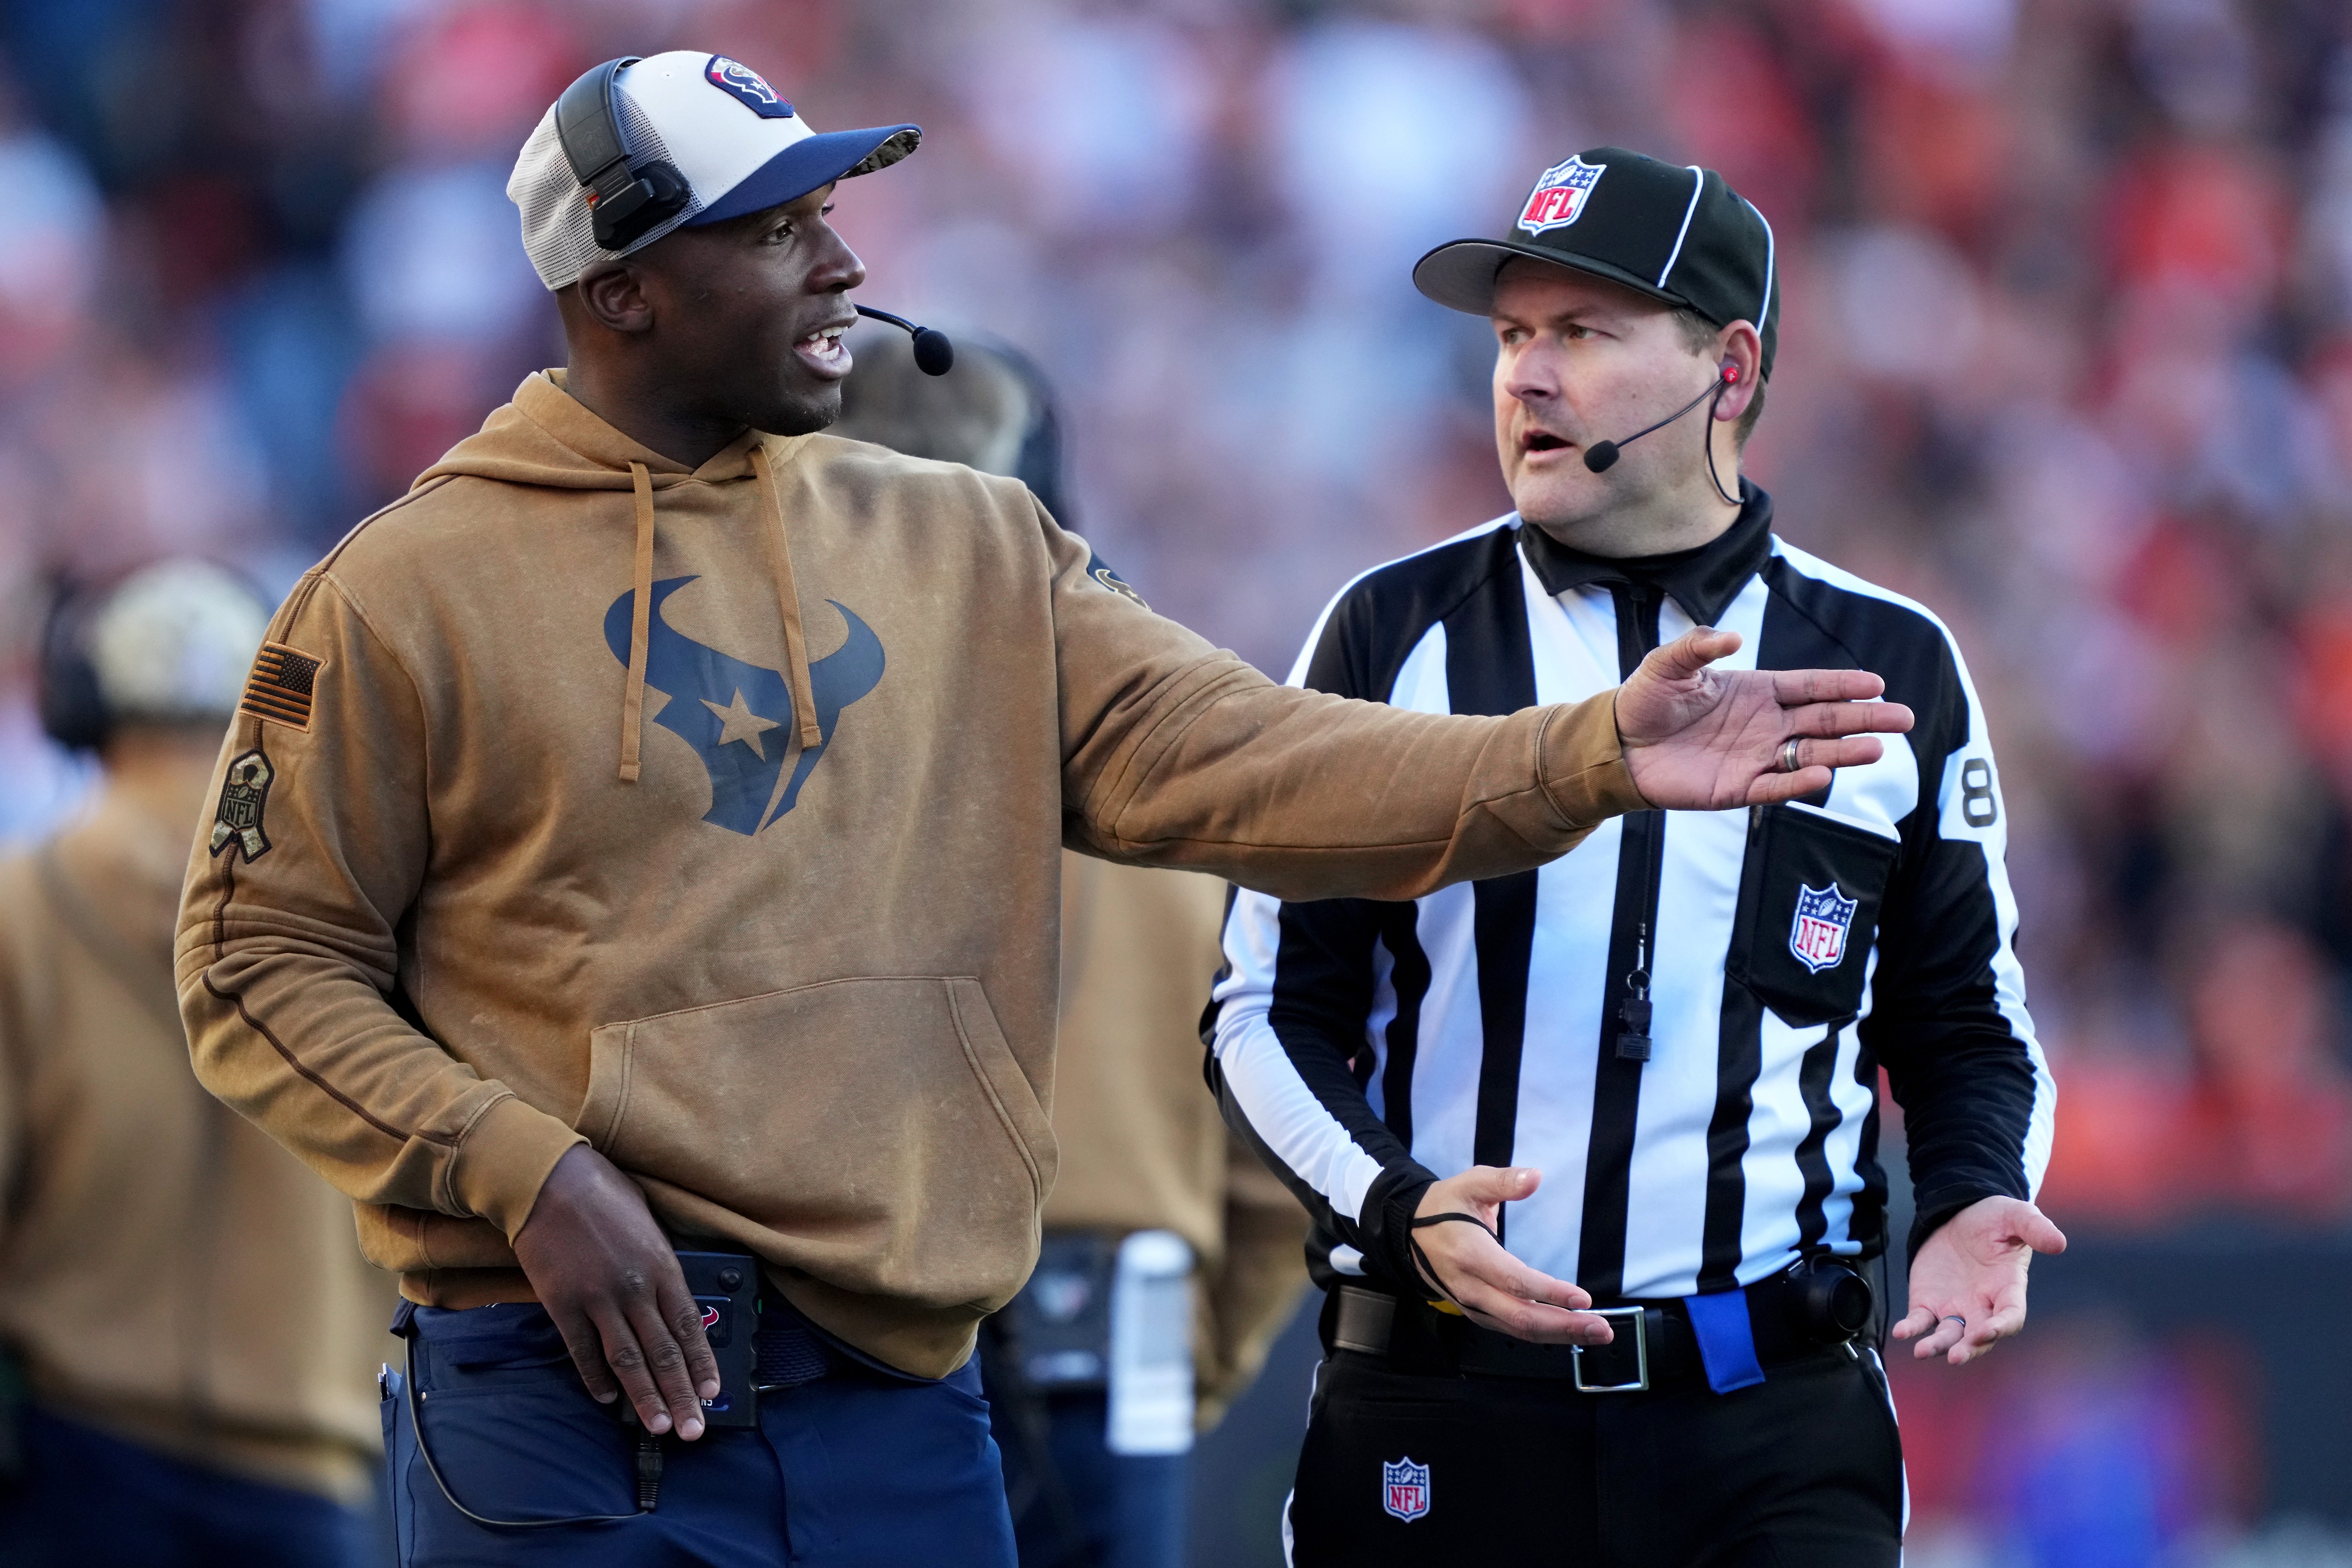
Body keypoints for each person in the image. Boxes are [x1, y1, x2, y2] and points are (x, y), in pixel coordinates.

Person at [171, 56, 1906, 1567]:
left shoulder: (968, 544)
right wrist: (518, 1163)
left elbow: (1256, 754)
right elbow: (257, 965)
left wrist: (1586, 750)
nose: (844, 260)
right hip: (560, 1391)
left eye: (833, 210)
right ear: (625, 288)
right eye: (778, 228)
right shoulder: (401, 591)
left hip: (907, 1402)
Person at [1207, 147, 2066, 1566]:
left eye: (1581, 333)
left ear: (1727, 367)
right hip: (1443, 1398)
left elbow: (1968, 1016)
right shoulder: (1385, 634)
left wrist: (1975, 1194)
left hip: (1768, 1420)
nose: (1524, 378)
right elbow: (1260, 1009)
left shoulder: (1889, 661)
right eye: (1509, 336)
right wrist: (1396, 1201)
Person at [832, 330, 1314, 1568]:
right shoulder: (1181, 725)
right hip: (1121, 1313)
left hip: (863, 1313)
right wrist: (1198, 1360)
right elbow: (1276, 1108)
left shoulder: (799, 737)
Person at [0, 561, 388, 1568]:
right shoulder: (369, 910)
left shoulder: (22, 907)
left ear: (82, 709)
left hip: (71, 1456)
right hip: (311, 1470)